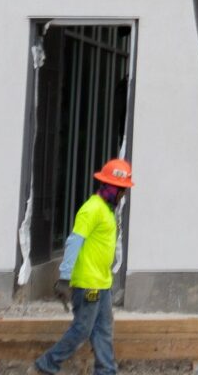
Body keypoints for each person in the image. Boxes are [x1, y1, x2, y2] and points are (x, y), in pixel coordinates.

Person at [34, 158, 134, 375]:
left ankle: (106, 371)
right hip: (88, 282)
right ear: (110, 188)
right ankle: (46, 365)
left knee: (103, 330)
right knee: (82, 329)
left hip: (101, 282)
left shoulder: (107, 211)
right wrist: (64, 277)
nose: (123, 194)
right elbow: (74, 241)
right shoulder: (92, 209)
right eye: (122, 190)